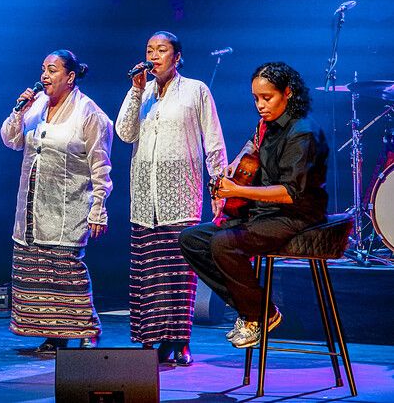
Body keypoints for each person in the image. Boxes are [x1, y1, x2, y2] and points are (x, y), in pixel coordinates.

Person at [179, 61, 328, 349]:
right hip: (263, 214)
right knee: (192, 239)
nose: (260, 105)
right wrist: (234, 167)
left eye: (267, 98)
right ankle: (259, 312)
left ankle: (254, 313)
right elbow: (251, 148)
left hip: (296, 216)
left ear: (288, 93)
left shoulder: (302, 132)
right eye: (256, 98)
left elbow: (291, 193)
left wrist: (240, 190)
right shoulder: (266, 126)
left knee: (224, 244)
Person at [115, 31, 227, 366]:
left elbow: (214, 141)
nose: (154, 55)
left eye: (161, 50)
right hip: (144, 200)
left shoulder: (195, 91)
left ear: (177, 57)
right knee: (149, 276)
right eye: (149, 49)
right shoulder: (142, 92)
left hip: (180, 197)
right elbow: (124, 133)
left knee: (179, 273)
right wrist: (135, 92)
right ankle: (154, 341)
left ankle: (181, 340)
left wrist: (219, 187)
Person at [1, 49, 113, 353]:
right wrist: (18, 112)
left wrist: (98, 209)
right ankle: (54, 335)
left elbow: (101, 166)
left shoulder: (89, 114)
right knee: (37, 271)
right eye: (43, 70)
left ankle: (89, 329)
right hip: (32, 205)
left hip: (69, 205)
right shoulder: (35, 106)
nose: (45, 76)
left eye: (52, 70)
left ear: (70, 76)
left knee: (65, 271)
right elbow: (11, 140)